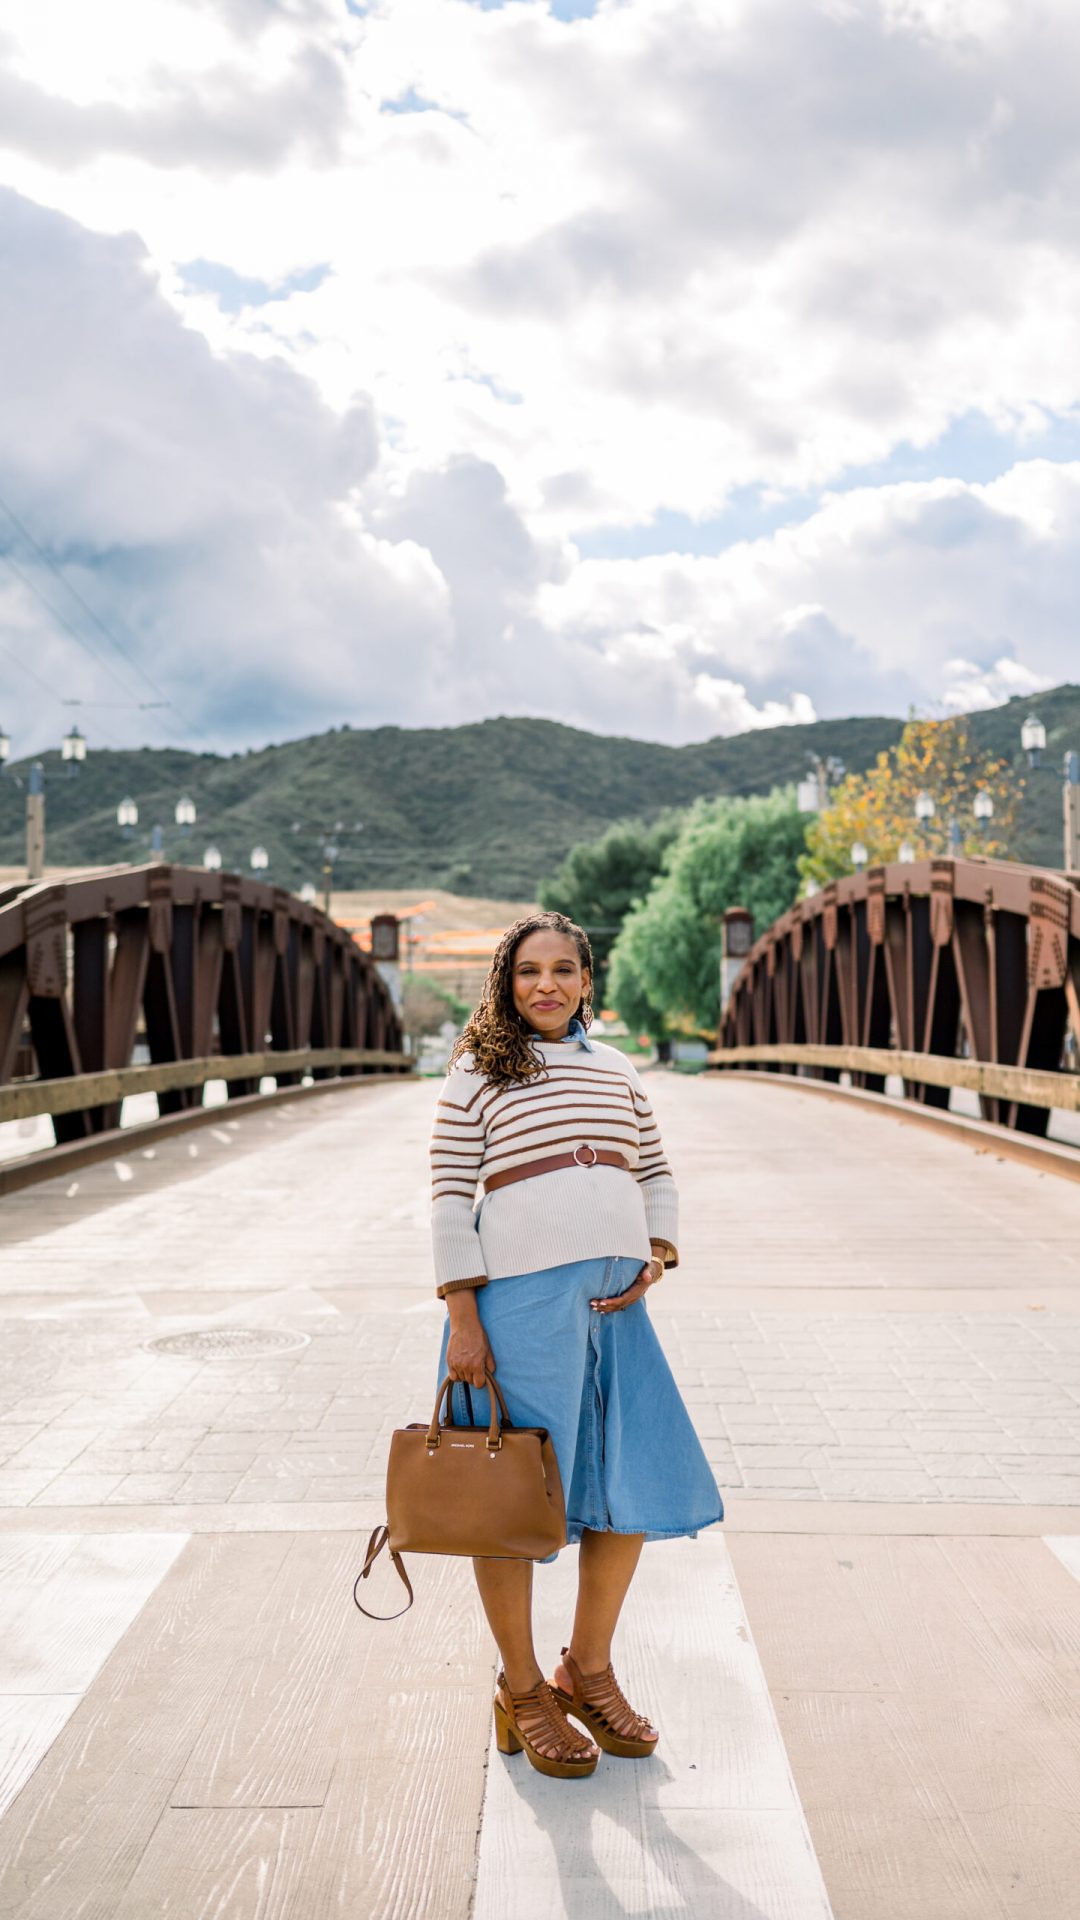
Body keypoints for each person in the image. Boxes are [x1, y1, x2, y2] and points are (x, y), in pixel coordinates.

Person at [430, 910, 723, 1781]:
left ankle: (585, 1670)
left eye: (564, 970)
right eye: (529, 971)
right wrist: (463, 1318)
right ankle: (521, 1690)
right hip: (519, 1307)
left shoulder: (619, 1068)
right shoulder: (477, 1069)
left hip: (617, 1309)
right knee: (508, 1495)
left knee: (627, 1485)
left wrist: (658, 1252)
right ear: (505, 981)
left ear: (587, 981)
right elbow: (449, 1194)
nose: (546, 985)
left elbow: (657, 1168)